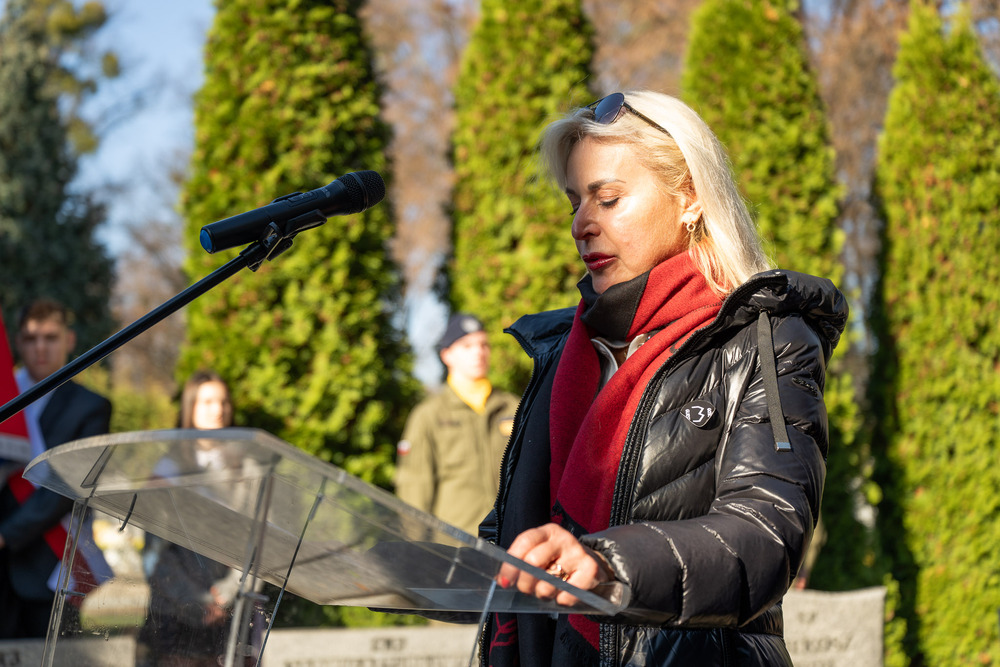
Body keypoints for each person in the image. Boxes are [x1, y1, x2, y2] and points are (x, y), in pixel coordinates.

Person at [482, 91, 849, 665]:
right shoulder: (560, 352)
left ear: (689, 198)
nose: (582, 223)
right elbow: (515, 536)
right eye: (574, 201)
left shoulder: (767, 337)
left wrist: (606, 564)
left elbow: (765, 535)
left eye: (608, 198)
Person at [0, 299, 112, 639]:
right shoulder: (4, 398)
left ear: (70, 340)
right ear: (18, 343)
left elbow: (64, 487)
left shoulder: (91, 408)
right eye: (31, 339)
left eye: (50, 337)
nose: (40, 348)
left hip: (47, 569)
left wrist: (5, 535)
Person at [137, 370, 250, 667]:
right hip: (174, 615)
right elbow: (155, 554)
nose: (218, 410)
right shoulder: (168, 470)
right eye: (208, 401)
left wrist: (226, 593)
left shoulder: (248, 470)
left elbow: (257, 544)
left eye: (223, 401)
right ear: (190, 409)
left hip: (233, 612)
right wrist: (197, 601)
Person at [395, 314, 519, 534]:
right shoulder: (429, 415)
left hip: (513, 545)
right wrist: (416, 554)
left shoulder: (513, 408)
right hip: (455, 549)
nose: (478, 352)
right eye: (467, 346)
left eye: (483, 344)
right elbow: (414, 492)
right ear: (447, 355)